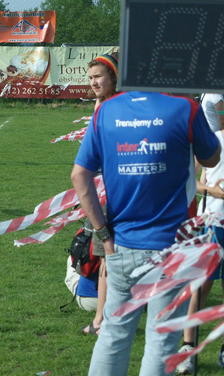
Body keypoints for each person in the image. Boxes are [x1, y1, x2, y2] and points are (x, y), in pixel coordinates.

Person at [71, 90, 220, 376]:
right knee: (161, 341)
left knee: (113, 333)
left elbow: (79, 175)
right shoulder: (185, 108)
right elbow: (212, 158)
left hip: (122, 245)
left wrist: (103, 234)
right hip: (173, 247)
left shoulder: (106, 110)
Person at [176, 92, 224, 374]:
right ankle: (187, 347)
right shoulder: (215, 140)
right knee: (200, 285)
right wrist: (213, 191)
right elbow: (196, 181)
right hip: (213, 223)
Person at [81, 51, 119, 337]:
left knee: (109, 255)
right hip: (102, 192)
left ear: (114, 78)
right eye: (90, 78)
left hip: (117, 193)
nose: (94, 82)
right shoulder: (101, 106)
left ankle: (101, 319)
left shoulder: (117, 107)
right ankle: (101, 317)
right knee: (106, 255)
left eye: (98, 77)